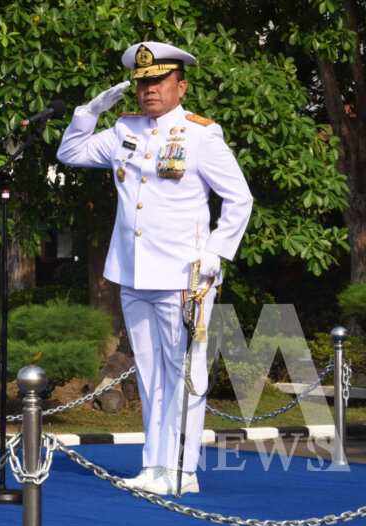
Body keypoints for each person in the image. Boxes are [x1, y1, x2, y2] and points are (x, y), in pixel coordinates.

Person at [56, 41, 253, 495]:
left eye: (158, 82)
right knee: (149, 373)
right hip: (133, 272)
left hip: (185, 275)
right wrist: (88, 112)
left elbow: (239, 198)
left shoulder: (201, 135)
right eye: (143, 82)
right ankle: (154, 467)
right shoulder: (126, 130)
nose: (148, 90)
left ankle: (183, 471)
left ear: (180, 87)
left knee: (185, 374)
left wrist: (218, 251)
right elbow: (71, 153)